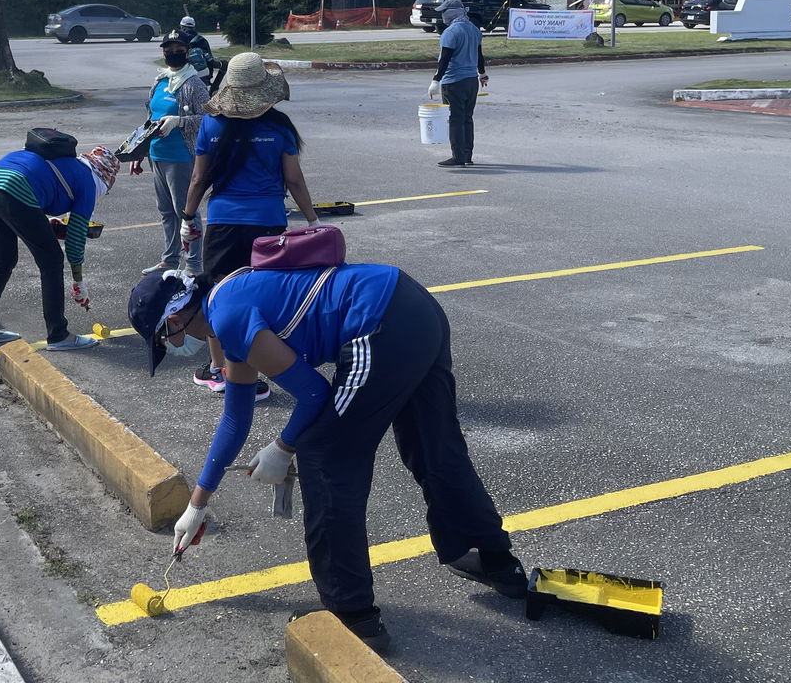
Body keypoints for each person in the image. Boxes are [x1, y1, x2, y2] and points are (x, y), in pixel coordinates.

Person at [171, 252, 527, 651]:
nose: (172, 345)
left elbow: (313, 393)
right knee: (434, 444)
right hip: (413, 304)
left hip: (377, 324)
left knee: (326, 455)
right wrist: (197, 504)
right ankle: (494, 558)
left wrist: (283, 446)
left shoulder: (229, 320)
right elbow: (235, 420)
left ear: (174, 320)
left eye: (165, 337)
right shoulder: (226, 301)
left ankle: (352, 615)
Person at [179, 52, 316, 394]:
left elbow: (198, 179)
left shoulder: (211, 124)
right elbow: (294, 181)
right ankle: (256, 375)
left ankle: (218, 369)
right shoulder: (280, 126)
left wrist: (187, 218)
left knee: (217, 296)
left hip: (224, 222)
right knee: (261, 298)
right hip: (269, 223)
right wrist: (312, 220)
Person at [0, 133, 119, 352]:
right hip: (16, 189)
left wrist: (50, 226)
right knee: (52, 262)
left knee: (2, 262)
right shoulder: (89, 180)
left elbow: (42, 188)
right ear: (106, 176)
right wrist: (79, 282)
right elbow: (76, 240)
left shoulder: (68, 164)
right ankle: (58, 334)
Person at [127, 268, 271, 402]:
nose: (167, 347)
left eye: (163, 339)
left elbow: (294, 381)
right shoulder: (221, 309)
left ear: (176, 322)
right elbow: (235, 416)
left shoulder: (229, 324)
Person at [143, 33, 210, 276]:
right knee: (165, 211)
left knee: (186, 211)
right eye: (168, 47)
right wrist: (139, 150)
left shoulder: (193, 84)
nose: (172, 51)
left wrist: (179, 122)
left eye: (178, 47)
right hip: (156, 154)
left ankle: (193, 265)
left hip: (180, 156)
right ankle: (170, 259)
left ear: (187, 50)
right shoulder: (160, 80)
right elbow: (149, 118)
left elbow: (208, 119)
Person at [431, 0, 488, 168]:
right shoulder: (474, 29)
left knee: (455, 119)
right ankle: (467, 155)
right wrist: (482, 73)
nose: (443, 16)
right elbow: (479, 55)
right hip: (471, 81)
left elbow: (445, 58)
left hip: (453, 81)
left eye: (444, 12)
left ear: (451, 13)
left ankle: (458, 157)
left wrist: (436, 80)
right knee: (467, 118)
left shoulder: (450, 32)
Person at [174, 15, 224, 91]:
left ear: (181, 26)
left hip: (181, 77)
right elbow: (210, 61)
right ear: (194, 27)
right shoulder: (201, 40)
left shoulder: (177, 40)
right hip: (202, 77)